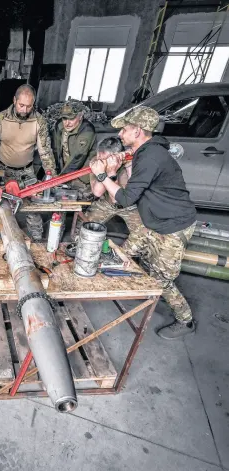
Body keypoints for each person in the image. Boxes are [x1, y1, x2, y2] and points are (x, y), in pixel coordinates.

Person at [90, 106, 197, 339]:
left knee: (162, 280)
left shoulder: (150, 157)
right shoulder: (144, 152)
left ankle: (185, 320)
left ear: (138, 131)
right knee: (126, 253)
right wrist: (120, 165)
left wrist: (102, 175)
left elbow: (126, 198)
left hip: (173, 227)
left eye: (125, 130)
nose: (120, 135)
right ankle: (143, 286)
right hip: (154, 221)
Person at [0, 84, 55, 240]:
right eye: (21, 105)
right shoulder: (0, 119)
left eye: (28, 106)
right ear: (14, 100)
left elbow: (45, 152)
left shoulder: (39, 122)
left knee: (33, 206)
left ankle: (37, 238)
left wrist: (52, 178)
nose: (24, 110)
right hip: (2, 170)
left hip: (26, 172)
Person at [77, 136, 143, 250]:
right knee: (83, 230)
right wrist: (104, 171)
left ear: (116, 157)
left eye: (103, 159)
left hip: (129, 205)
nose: (99, 161)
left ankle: (122, 256)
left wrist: (119, 169)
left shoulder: (132, 162)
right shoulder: (96, 161)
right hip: (107, 203)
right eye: (98, 157)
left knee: (142, 239)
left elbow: (122, 197)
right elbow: (97, 192)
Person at [51, 102, 97, 188]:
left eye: (71, 119)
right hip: (65, 171)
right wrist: (53, 173)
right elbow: (56, 151)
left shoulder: (87, 130)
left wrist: (60, 179)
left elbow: (78, 157)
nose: (67, 123)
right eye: (64, 118)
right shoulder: (59, 125)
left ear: (80, 116)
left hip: (82, 175)